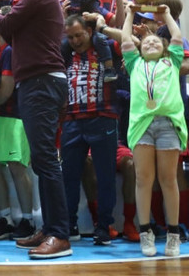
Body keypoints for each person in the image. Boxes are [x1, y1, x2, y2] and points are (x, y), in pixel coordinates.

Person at [0, 0, 72, 259]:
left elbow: (7, 22)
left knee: (46, 161)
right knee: (41, 162)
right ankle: (51, 227)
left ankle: (60, 235)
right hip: (37, 82)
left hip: (41, 82)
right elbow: (12, 30)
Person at [121, 3, 187, 258]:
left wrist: (167, 15)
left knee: (168, 179)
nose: (150, 44)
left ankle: (173, 235)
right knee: (143, 179)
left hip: (168, 124)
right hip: (142, 126)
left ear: (165, 48)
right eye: (146, 42)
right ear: (139, 48)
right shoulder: (134, 64)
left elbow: (177, 36)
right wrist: (128, 14)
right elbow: (126, 39)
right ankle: (145, 232)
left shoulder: (173, 61)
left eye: (156, 43)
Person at [61, 15, 120, 246]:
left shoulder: (107, 48)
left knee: (105, 176)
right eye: (71, 37)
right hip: (72, 120)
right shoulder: (65, 54)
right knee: (69, 177)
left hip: (103, 117)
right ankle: (69, 224)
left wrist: (103, 28)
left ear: (89, 30)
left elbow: (129, 40)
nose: (75, 40)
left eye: (79, 35)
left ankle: (104, 226)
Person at [0, 9, 35, 241]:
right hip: (0, 115)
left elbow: (6, 89)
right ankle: (5, 219)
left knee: (16, 166)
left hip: (14, 115)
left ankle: (28, 220)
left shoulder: (10, 51)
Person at [61, 0, 118, 82]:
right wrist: (64, 15)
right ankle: (62, 70)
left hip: (90, 33)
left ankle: (109, 69)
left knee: (100, 40)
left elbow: (97, 14)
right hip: (73, 32)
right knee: (64, 45)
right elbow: (66, 22)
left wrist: (90, 16)